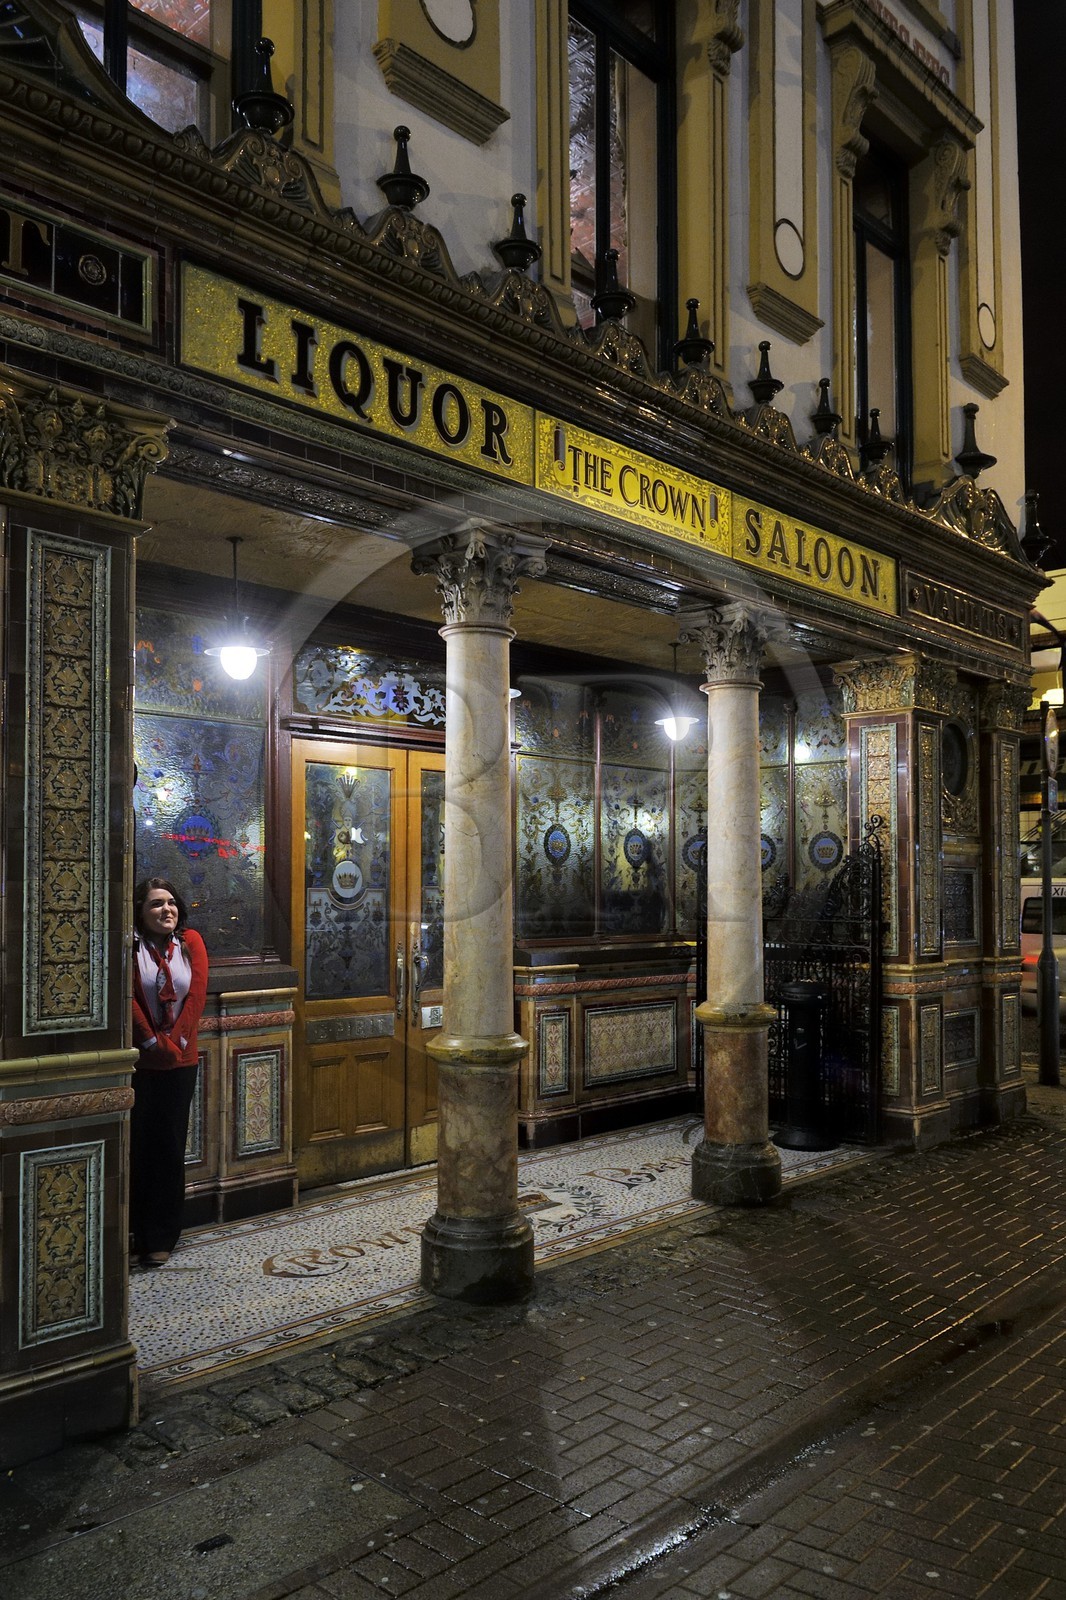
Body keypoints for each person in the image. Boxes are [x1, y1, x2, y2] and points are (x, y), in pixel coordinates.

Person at [130, 878, 208, 1268]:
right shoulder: (131, 947)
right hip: (140, 1062)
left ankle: (162, 1235)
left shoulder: (190, 942)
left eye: (172, 903)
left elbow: (195, 997)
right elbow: (126, 996)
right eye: (157, 904)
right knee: (137, 1146)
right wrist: (149, 1043)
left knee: (168, 1146)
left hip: (180, 1061)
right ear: (140, 911)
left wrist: (174, 1042)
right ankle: (135, 1232)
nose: (167, 910)